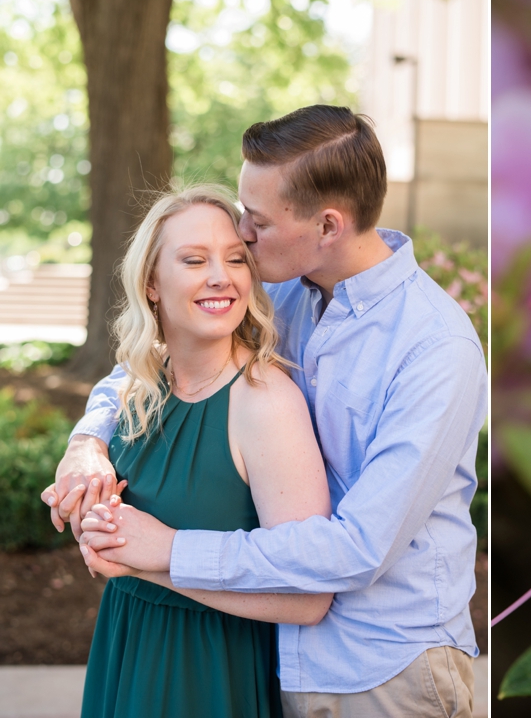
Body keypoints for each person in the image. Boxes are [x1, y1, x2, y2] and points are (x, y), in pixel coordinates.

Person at [47, 105, 487, 717]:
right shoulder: (281, 291)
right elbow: (151, 359)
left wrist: (165, 551)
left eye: (255, 222)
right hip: (266, 649)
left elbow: (359, 548)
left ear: (328, 226)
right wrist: (88, 441)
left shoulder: (435, 348)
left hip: (382, 672)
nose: (243, 240)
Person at [67, 184, 333, 718]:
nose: (221, 276)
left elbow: (308, 597)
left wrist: (148, 557)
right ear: (152, 283)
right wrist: (91, 512)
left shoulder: (265, 402)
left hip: (210, 672)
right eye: (194, 260)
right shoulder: (141, 385)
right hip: (125, 648)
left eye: (236, 258)